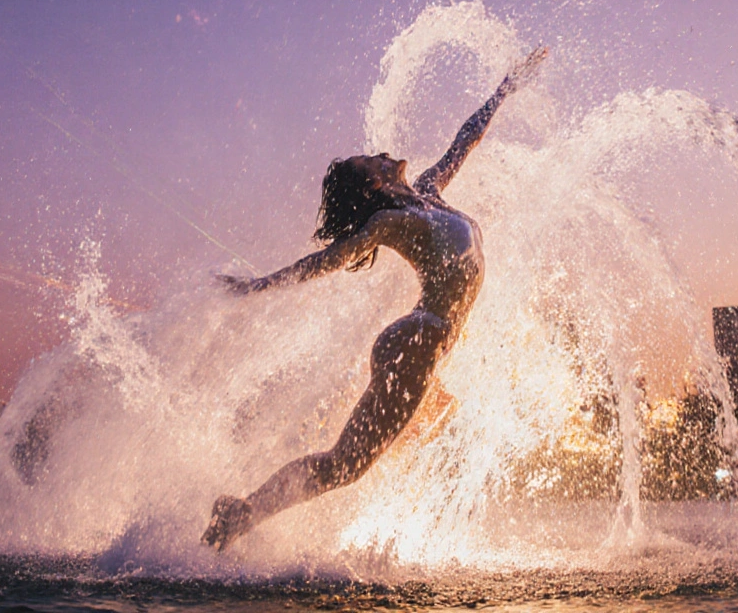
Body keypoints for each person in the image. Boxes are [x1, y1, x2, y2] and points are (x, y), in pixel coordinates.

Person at [202, 47, 549, 551]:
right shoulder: (387, 223)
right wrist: (257, 287)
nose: (384, 153)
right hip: (418, 339)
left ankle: (366, 527)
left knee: (412, 435)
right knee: (345, 463)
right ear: (373, 183)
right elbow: (327, 260)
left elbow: (465, 139)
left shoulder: (430, 191)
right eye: (373, 159)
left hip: (427, 344)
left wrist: (503, 89)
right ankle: (244, 513)